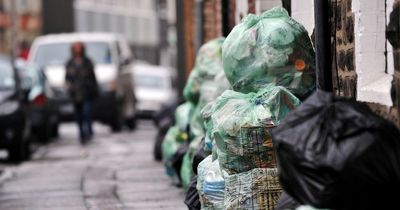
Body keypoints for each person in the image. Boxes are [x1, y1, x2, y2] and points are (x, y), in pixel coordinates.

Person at [65, 42, 98, 144]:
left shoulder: (87, 62)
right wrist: (70, 89)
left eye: (79, 48)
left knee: (87, 113)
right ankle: (81, 133)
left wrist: (94, 90)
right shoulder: (70, 62)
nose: (78, 50)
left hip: (86, 93)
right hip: (75, 94)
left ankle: (88, 131)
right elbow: (67, 78)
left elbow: (93, 78)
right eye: (76, 48)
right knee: (78, 115)